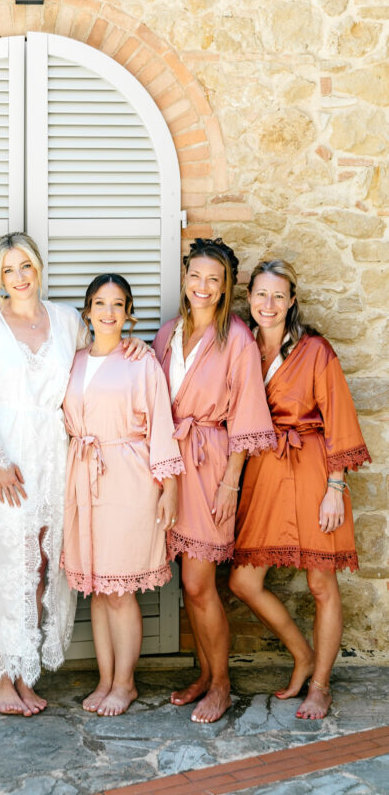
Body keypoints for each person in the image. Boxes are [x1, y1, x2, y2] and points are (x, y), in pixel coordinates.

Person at [0, 232, 149, 716]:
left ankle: (27, 672)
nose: (19, 277)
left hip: (56, 456)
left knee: (43, 567)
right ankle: (2, 678)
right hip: (6, 459)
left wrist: (132, 346)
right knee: (6, 564)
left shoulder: (68, 319)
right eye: (8, 270)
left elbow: (100, 359)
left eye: (25, 265)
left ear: (38, 268)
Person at [230, 258, 370, 721]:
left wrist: (335, 486)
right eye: (260, 294)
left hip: (312, 467)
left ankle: (322, 685)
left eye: (278, 295)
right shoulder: (241, 345)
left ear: (292, 301)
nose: (268, 304)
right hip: (264, 471)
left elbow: (339, 421)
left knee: (320, 583)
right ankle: (302, 654)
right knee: (243, 581)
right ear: (249, 298)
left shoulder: (315, 350)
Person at [152, 237, 276, 724]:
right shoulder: (166, 335)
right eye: (195, 276)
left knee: (200, 583)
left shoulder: (238, 340)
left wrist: (231, 484)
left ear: (226, 289)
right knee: (189, 584)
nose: (202, 287)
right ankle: (205, 673)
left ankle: (222, 685)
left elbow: (246, 418)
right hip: (171, 469)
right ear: (185, 278)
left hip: (211, 467)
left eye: (214, 280)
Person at [62, 274, 184, 717]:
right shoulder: (71, 360)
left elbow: (162, 429)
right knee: (97, 589)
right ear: (88, 309)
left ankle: (126, 683)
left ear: (128, 311)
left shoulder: (141, 362)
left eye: (117, 304)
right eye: (99, 303)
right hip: (83, 480)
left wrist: (169, 487)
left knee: (120, 591)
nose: (108, 312)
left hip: (129, 480)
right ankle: (105, 679)